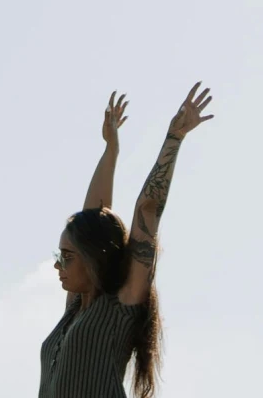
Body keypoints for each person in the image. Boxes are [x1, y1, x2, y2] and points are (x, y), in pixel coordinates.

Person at [39, 83, 215, 398]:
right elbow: (93, 217)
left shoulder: (123, 301)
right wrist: (111, 150)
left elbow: (148, 208)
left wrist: (174, 138)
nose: (57, 264)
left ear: (93, 257)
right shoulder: (76, 306)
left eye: (67, 256)